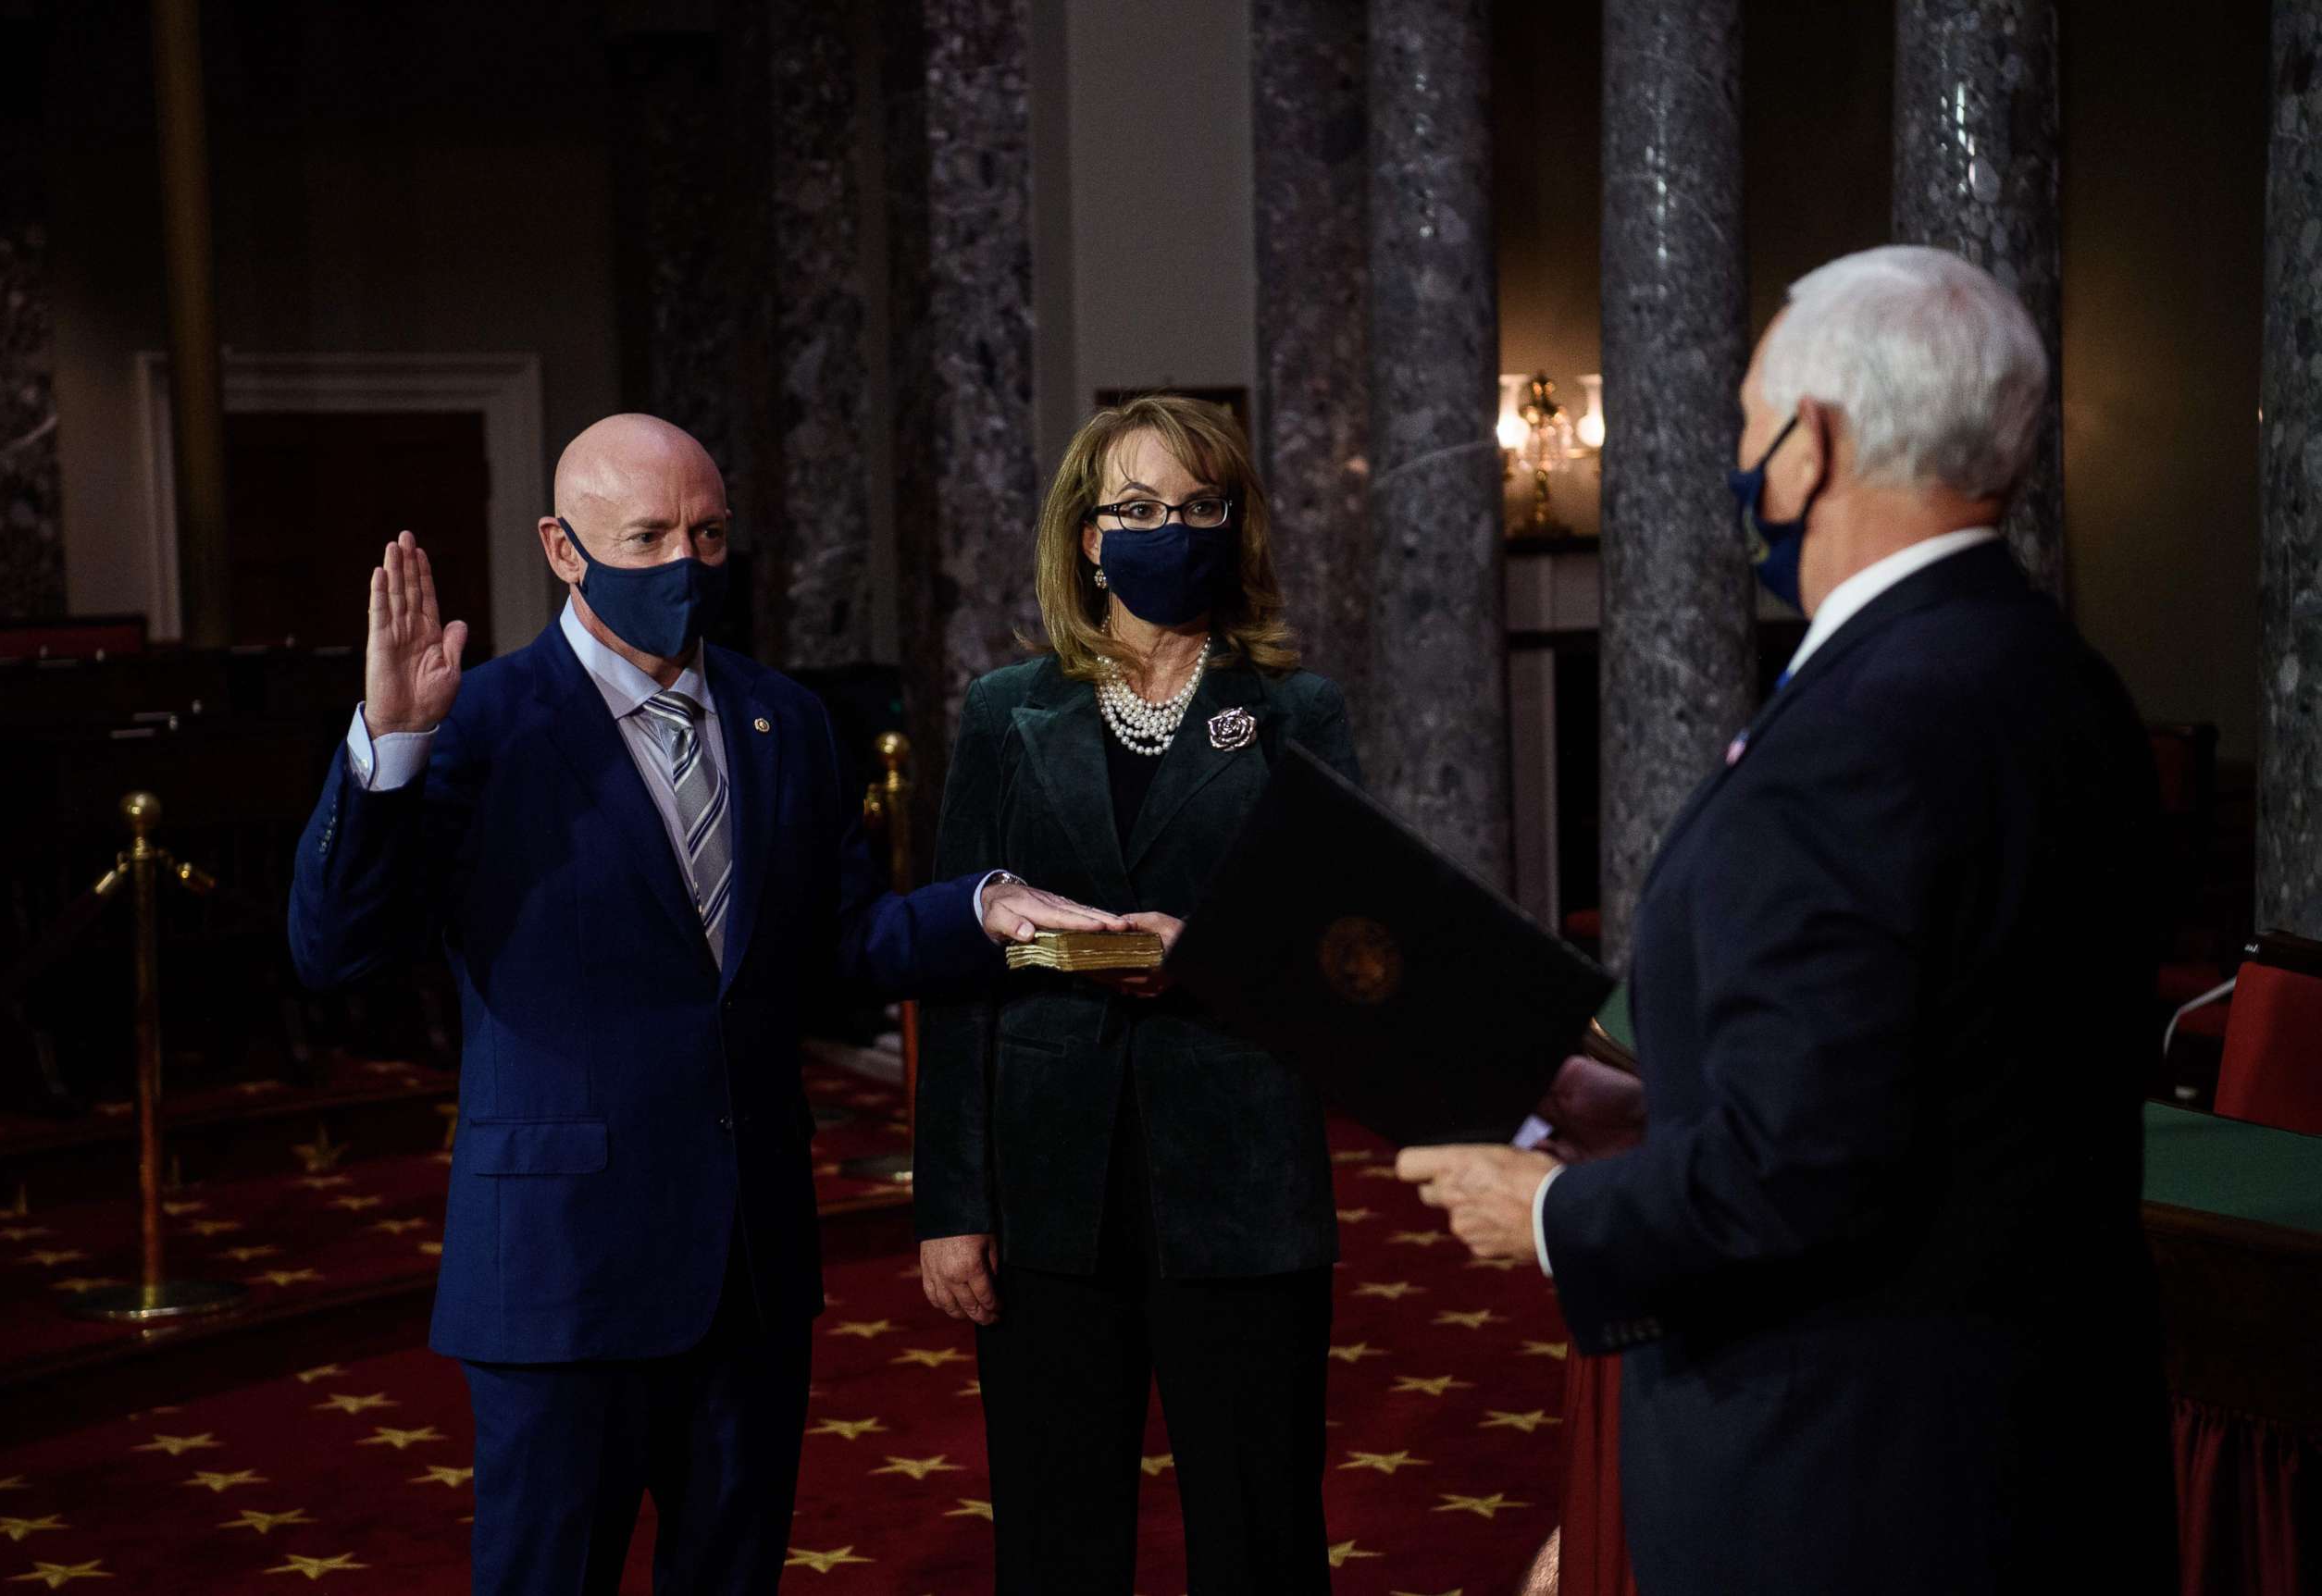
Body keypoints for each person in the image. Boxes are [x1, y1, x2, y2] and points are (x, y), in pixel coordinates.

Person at [1396, 246, 2178, 1594]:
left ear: (1811, 445)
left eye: (1750, 419)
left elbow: (1802, 1172)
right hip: (2043, 1451)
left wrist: (1553, 1213)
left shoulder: (1867, 726)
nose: (1742, 457)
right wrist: (1656, 1114)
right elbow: (1946, 1062)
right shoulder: (2063, 677)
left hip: (1861, 1487)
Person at [287, 413, 1123, 1596]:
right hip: (560, 1275)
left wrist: (980, 909)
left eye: (710, 532)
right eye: (649, 536)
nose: (687, 562)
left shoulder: (788, 720)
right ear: (563, 548)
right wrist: (389, 746)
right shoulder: (476, 724)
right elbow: (335, 950)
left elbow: (837, 944)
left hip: (750, 1261)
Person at [912, 393, 1358, 1593]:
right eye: (1143, 508)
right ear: (1090, 536)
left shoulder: (1294, 712)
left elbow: (1346, 951)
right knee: (1057, 1537)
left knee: (1259, 1534)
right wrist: (951, 1199)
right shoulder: (1011, 712)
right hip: (1049, 1185)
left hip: (1241, 1178)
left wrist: (1206, 949)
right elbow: (954, 964)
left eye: (1201, 507)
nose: (1174, 529)